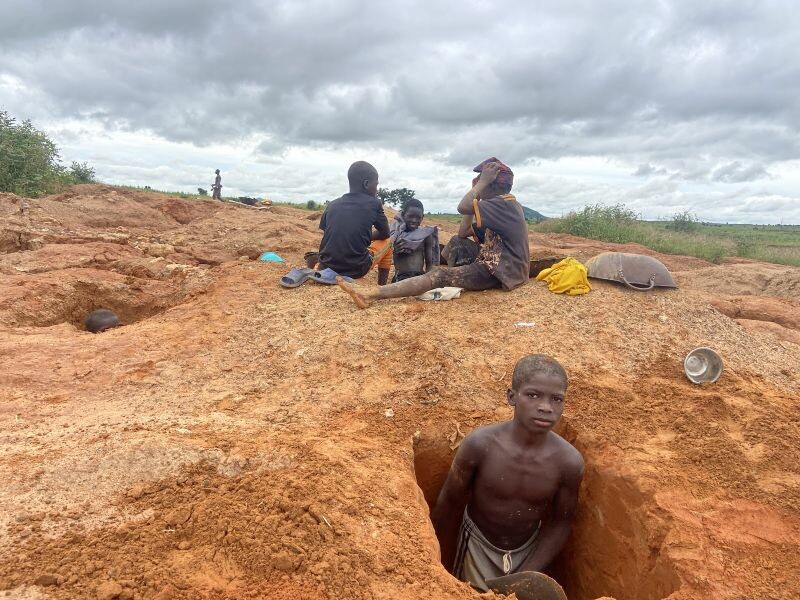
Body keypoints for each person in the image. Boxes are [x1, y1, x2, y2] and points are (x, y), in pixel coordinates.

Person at [431, 355, 584, 593]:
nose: (546, 407)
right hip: (477, 544)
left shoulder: (568, 462)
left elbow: (561, 522)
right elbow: (448, 505)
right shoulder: (480, 445)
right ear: (512, 397)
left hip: (528, 549)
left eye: (557, 399)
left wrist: (529, 573)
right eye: (533, 395)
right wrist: (439, 567)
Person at [337, 157, 529, 307]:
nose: (477, 182)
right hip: (500, 262)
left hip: (501, 271)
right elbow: (463, 232)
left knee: (439, 275)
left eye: (482, 180)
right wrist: (478, 195)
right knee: (457, 242)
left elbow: (462, 207)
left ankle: (372, 294)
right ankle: (453, 274)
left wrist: (479, 187)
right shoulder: (501, 205)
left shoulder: (504, 204)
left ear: (492, 184)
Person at [317, 161, 391, 281]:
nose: (376, 190)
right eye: (376, 185)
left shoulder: (332, 204)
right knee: (389, 242)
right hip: (356, 269)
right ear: (366, 184)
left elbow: (329, 231)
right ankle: (382, 287)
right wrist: (367, 237)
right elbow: (385, 233)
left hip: (325, 266)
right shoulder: (374, 203)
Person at [391, 199, 439, 282]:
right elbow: (388, 258)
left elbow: (429, 263)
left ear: (422, 217)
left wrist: (430, 280)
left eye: (418, 218)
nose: (414, 220)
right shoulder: (396, 233)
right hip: (401, 278)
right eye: (410, 216)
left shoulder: (425, 235)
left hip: (419, 277)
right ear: (403, 214)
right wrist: (394, 250)